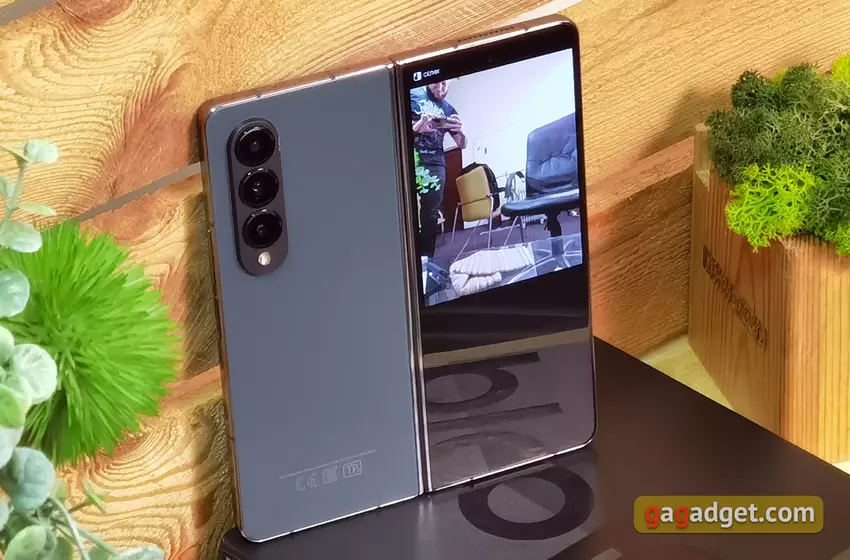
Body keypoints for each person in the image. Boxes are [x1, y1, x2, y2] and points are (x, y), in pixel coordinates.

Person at [411, 81, 466, 261]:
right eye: (436, 83)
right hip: (412, 157)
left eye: (444, 84)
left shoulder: (449, 110)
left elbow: (462, 144)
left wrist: (460, 131)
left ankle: (426, 259)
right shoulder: (413, 94)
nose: (440, 88)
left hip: (435, 164)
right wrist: (417, 128)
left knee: (431, 213)